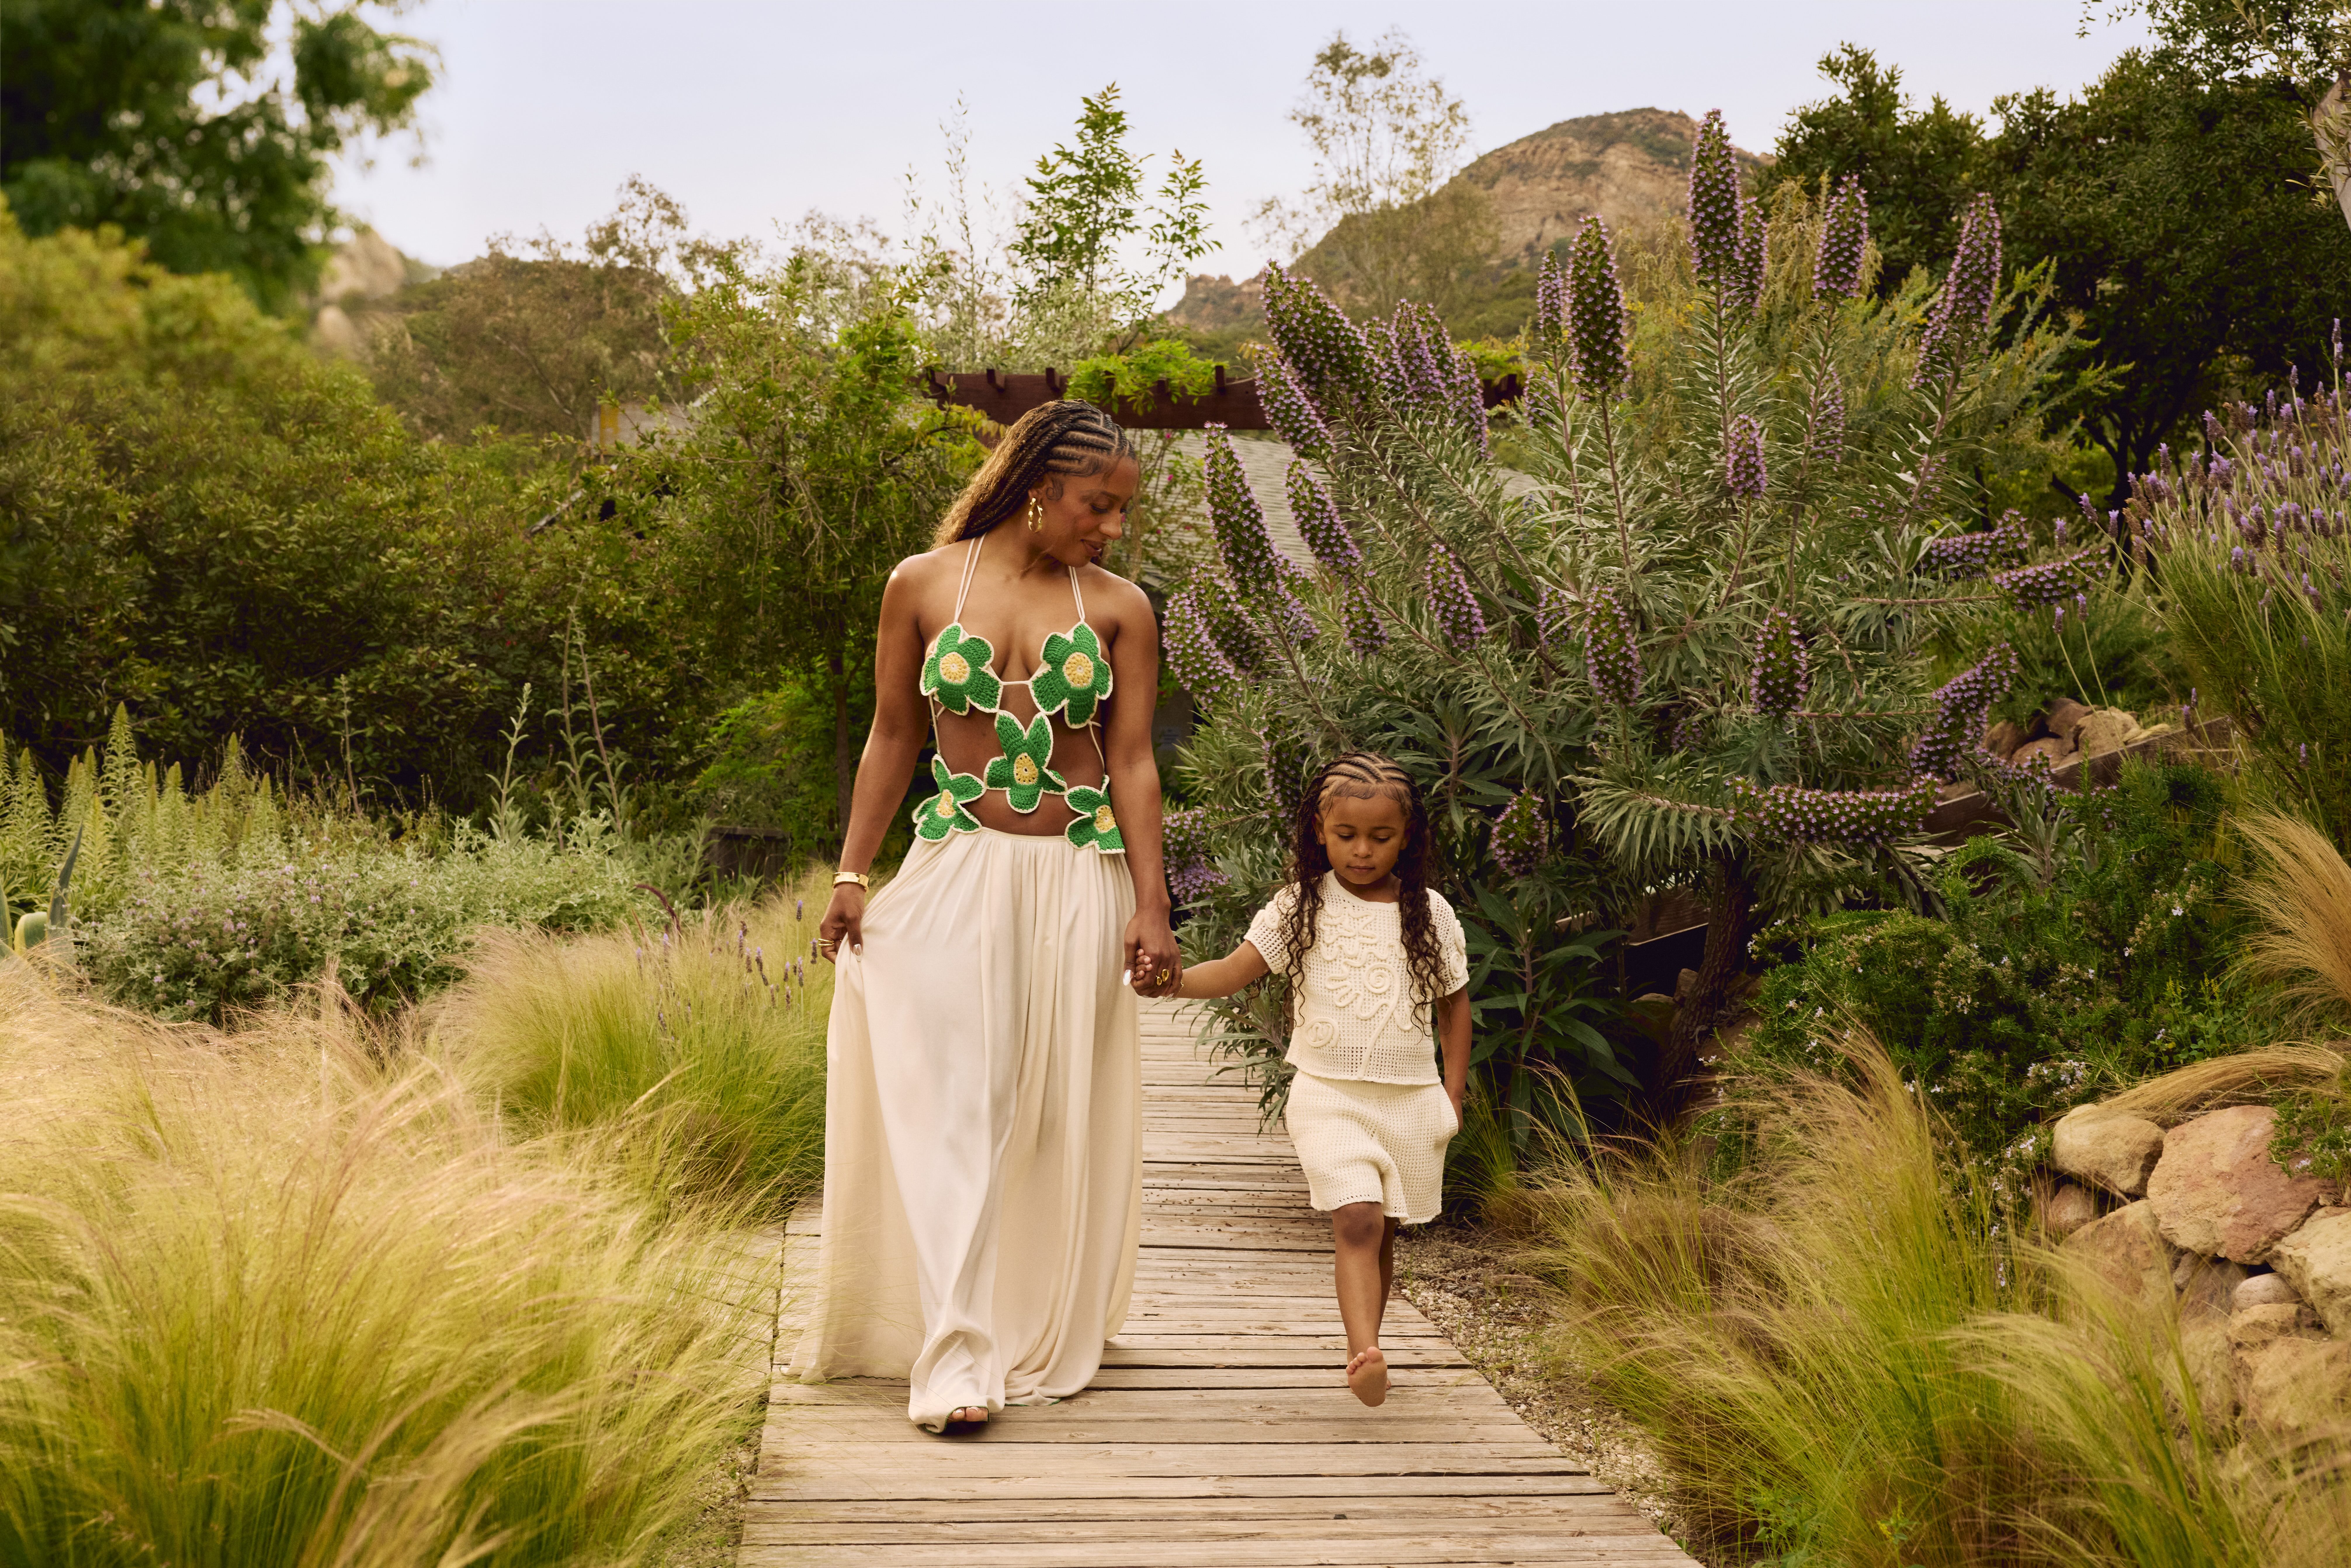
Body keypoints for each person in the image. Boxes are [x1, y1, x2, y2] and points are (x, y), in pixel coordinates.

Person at [797, 400, 1183, 1433]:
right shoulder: (919, 585)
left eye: (1118, 513)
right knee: (955, 1101)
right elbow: (891, 737)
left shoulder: (1120, 607)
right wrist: (850, 872)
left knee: (1046, 1109)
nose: (1109, 528)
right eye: (1097, 506)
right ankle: (956, 1350)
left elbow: (1135, 760)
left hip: (1074, 874)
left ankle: (1035, 1317)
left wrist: (1151, 901)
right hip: (956, 866)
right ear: (1035, 490)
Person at [1172, 753, 1470, 1406]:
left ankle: (1368, 1342)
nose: (1362, 850)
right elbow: (1233, 969)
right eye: (1347, 835)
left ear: (1407, 836)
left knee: (1383, 1226)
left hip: (1410, 1098)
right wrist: (1171, 981)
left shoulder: (1431, 913)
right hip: (1327, 1092)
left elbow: (1455, 1002)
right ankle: (1364, 1350)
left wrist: (1451, 1094)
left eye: (1381, 837)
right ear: (1318, 829)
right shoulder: (1297, 906)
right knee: (1358, 1216)